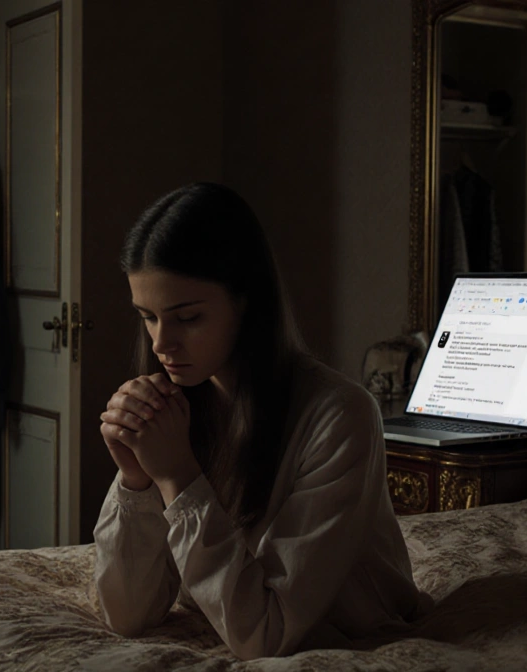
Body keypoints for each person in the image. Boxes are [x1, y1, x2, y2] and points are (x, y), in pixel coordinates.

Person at [93, 183, 432, 660]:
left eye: (186, 318)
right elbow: (127, 616)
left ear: (246, 301)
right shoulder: (178, 406)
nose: (159, 344)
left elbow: (266, 637)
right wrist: (136, 479)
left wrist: (178, 477)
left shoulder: (341, 415)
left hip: (346, 631)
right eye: (147, 317)